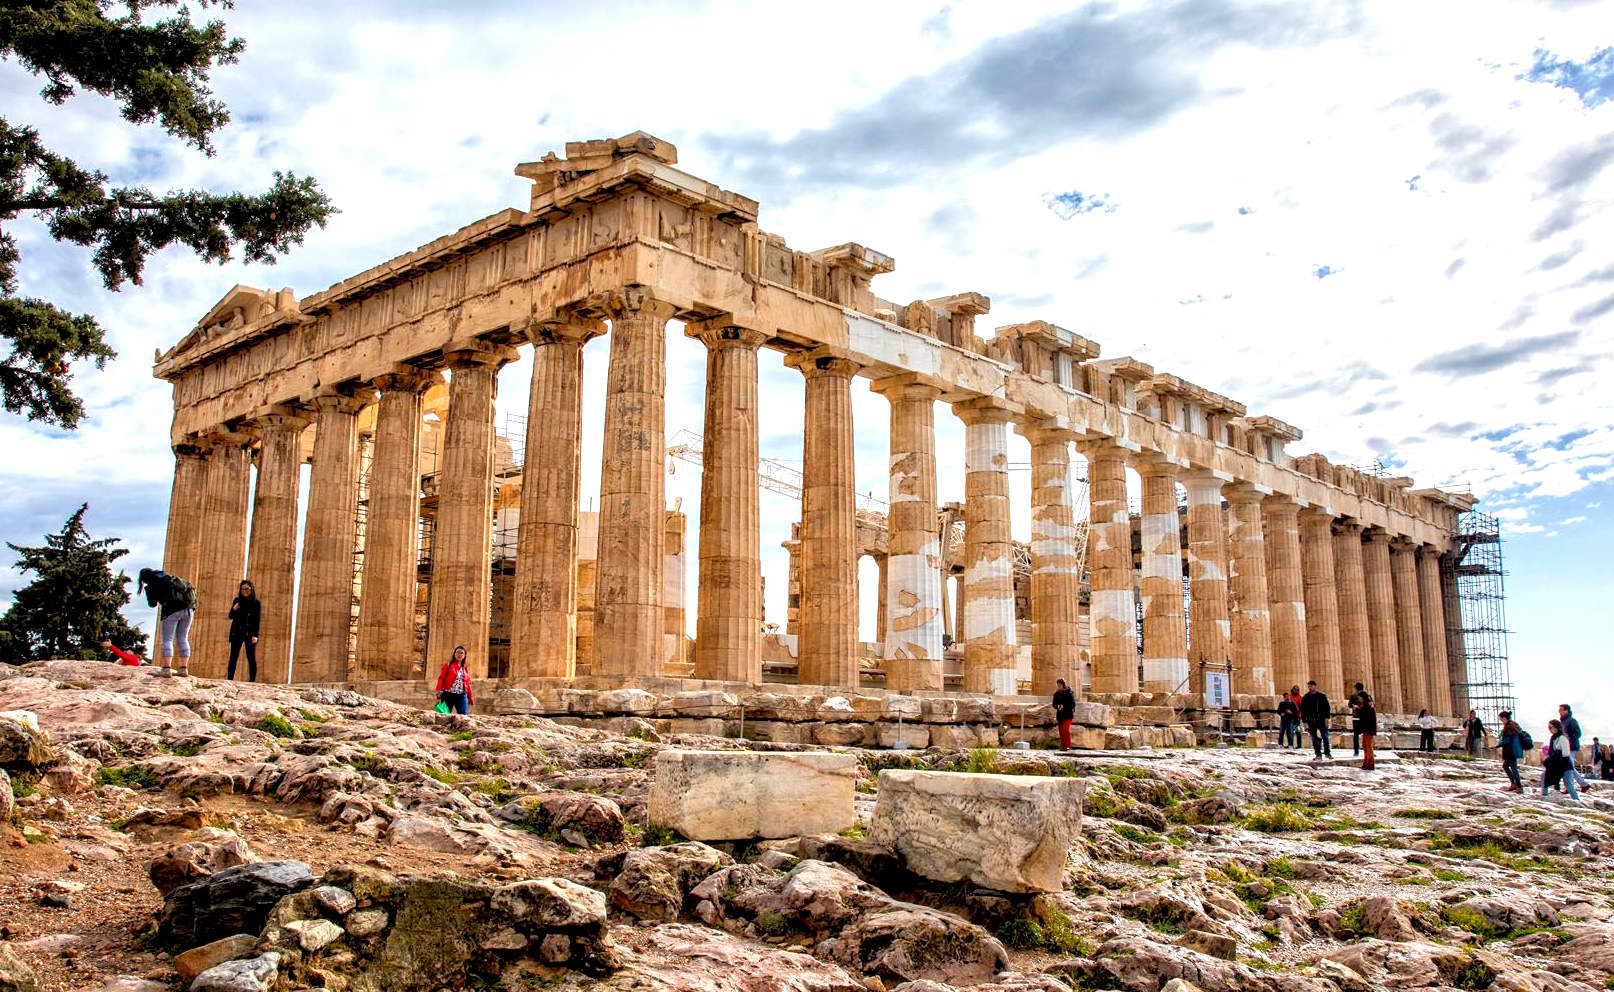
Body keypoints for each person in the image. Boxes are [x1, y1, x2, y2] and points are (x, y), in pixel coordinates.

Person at [137, 567, 196, 677]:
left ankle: (166, 668)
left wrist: (149, 592)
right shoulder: (167, 577)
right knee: (183, 638)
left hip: (170, 612)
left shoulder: (151, 586)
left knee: (167, 640)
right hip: (188, 609)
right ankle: (184, 668)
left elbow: (152, 604)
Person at [227, 580, 261, 682]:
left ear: (251, 589)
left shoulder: (256, 603)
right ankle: (229, 679)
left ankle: (252, 681)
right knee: (233, 657)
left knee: (251, 658)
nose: (244, 591)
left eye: (247, 589)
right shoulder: (237, 601)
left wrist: (255, 635)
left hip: (249, 633)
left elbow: (257, 620)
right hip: (236, 632)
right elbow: (230, 616)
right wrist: (234, 608)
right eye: (242, 589)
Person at [1541, 719, 1580, 800]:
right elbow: (1552, 752)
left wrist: (1555, 757)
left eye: (1550, 727)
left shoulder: (1562, 738)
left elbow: (1566, 753)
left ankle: (1577, 800)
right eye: (1548, 727)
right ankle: (1544, 795)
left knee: (1569, 785)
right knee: (1544, 776)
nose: (1549, 729)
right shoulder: (1554, 738)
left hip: (1564, 764)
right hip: (1556, 764)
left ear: (1556, 727)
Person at [1558, 705, 1591, 792]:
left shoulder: (1572, 721)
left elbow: (1578, 733)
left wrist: (1568, 739)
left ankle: (1576, 786)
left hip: (1571, 747)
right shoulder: (1563, 722)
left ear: (1566, 711)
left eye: (1561, 710)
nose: (1559, 711)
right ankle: (1582, 785)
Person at [434, 645, 474, 715]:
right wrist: (439, 690)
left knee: (463, 715)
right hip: (448, 694)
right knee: (445, 715)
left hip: (461, 695)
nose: (459, 654)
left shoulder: (465, 668)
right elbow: (441, 678)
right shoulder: (448, 665)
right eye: (457, 652)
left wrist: (470, 698)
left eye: (462, 653)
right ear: (454, 654)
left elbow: (467, 684)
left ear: (464, 655)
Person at [1301, 679, 1333, 759]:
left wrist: (1327, 718)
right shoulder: (1306, 697)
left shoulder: (1322, 696)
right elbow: (1303, 710)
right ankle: (1318, 754)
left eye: (1311, 686)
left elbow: (1327, 707)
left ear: (1315, 686)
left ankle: (1327, 753)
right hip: (1311, 720)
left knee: (1325, 737)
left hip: (1321, 719)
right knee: (1314, 738)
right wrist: (1304, 722)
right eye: (1308, 686)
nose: (1310, 688)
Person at [1496, 710, 1524, 792]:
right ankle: (1514, 784)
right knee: (1505, 766)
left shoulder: (1509, 727)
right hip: (1514, 750)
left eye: (1500, 718)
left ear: (1504, 718)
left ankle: (1519, 786)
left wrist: (1497, 746)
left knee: (1513, 768)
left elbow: (1507, 740)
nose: (1500, 720)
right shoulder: (1513, 725)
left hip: (1510, 750)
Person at [1052, 678, 1076, 750]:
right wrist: (1058, 706)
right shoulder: (1056, 694)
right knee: (1061, 731)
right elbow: (1054, 704)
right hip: (1060, 715)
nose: (1058, 686)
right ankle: (1063, 746)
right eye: (1057, 685)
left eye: (1059, 684)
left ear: (1062, 684)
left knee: (1066, 730)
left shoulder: (1069, 693)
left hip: (1068, 714)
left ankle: (1068, 745)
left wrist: (1064, 706)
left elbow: (1072, 704)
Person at [1357, 692, 1378, 770]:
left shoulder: (1368, 706)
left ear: (1363, 697)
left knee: (1368, 746)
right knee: (1365, 746)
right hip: (1366, 729)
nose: (1358, 699)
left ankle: (1370, 764)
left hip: (1368, 729)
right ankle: (1366, 763)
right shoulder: (1366, 706)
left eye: (1359, 697)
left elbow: (1367, 718)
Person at [1348, 682, 1368, 755]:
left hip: (1356, 717)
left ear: (1356, 688)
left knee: (1356, 735)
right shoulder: (1367, 695)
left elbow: (1349, 705)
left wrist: (1355, 706)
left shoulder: (1353, 696)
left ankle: (1356, 751)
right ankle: (1368, 750)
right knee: (1366, 734)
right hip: (1365, 717)